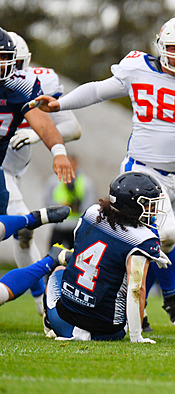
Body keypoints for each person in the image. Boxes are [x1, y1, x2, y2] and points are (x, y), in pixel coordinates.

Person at [33, 17, 175, 330]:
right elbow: (97, 90)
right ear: (160, 46)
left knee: (164, 245)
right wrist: (60, 104)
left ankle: (159, 302)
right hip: (141, 175)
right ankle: (159, 304)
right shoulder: (137, 68)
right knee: (162, 237)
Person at [3, 31, 83, 316]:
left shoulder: (28, 85)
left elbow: (73, 128)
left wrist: (41, 139)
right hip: (5, 171)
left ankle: (42, 305)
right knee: (23, 229)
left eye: (10, 62)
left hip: (10, 173)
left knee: (24, 234)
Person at [41, 172, 170, 342]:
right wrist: (136, 337)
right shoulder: (142, 239)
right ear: (132, 206)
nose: (152, 210)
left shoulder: (91, 214)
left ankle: (49, 325)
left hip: (64, 324)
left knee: (58, 271)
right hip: (109, 332)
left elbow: (87, 253)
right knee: (122, 283)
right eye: (148, 205)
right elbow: (136, 290)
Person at [0, 27, 75, 214]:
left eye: (5, 57)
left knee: (3, 217)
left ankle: (33, 220)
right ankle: (36, 219)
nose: (3, 64)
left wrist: (58, 152)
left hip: (5, 164)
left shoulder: (21, 84)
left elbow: (43, 122)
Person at [45, 154, 95, 248]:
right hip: (59, 226)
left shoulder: (86, 182)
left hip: (76, 227)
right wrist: (61, 207)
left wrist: (78, 208)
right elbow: (47, 201)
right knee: (52, 256)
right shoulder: (53, 181)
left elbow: (90, 205)